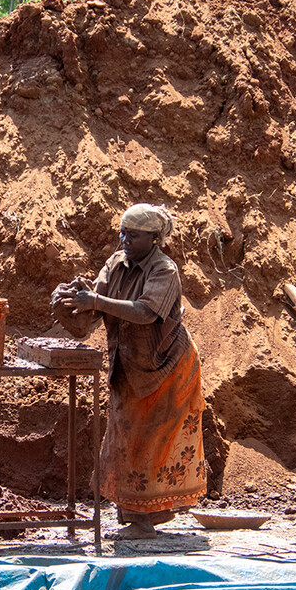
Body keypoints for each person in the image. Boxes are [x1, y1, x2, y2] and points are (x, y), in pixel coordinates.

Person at [55, 203, 207, 539]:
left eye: (133, 235)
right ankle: (139, 515)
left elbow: (145, 312)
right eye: (123, 233)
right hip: (130, 366)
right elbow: (94, 308)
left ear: (154, 238)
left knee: (151, 440)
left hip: (167, 368)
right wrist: (72, 301)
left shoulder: (164, 270)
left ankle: (144, 522)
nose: (125, 240)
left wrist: (96, 301)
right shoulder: (116, 264)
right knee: (126, 440)